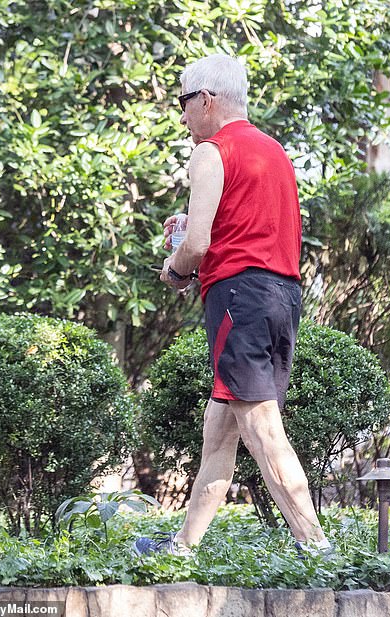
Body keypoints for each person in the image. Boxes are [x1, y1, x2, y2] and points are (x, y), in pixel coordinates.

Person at [133, 54, 331, 558]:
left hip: (237, 299)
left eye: (182, 102)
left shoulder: (210, 151)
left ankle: (318, 549)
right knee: (219, 430)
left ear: (206, 99)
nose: (181, 117)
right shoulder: (274, 152)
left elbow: (196, 244)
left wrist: (175, 271)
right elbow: (245, 226)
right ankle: (183, 546)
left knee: (262, 428)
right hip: (281, 297)